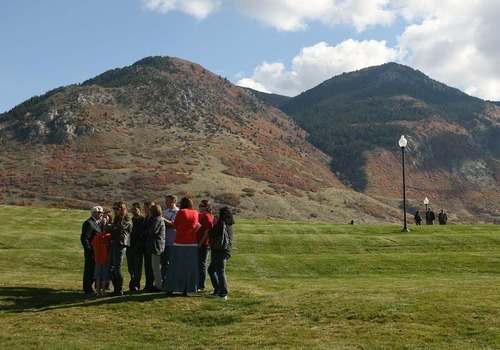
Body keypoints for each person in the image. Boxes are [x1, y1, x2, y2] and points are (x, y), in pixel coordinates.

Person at [165, 196, 200, 296]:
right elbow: (196, 225)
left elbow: (175, 225)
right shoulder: (195, 213)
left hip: (180, 242)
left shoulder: (181, 212)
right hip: (192, 243)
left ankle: (172, 287)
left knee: (175, 266)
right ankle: (186, 289)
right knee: (188, 267)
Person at [207, 207, 234, 300]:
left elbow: (210, 232)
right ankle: (218, 290)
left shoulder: (221, 224)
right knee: (212, 270)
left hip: (220, 250)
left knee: (220, 272)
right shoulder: (229, 224)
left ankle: (223, 293)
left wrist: (215, 222)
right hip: (226, 250)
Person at [107, 201, 132, 296]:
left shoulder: (126, 218)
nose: (115, 211)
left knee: (117, 268)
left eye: (116, 209)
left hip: (121, 244)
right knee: (111, 267)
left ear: (121, 209)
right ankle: (116, 288)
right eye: (114, 208)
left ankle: (119, 288)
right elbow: (112, 229)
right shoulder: (117, 218)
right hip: (114, 243)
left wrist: (114, 229)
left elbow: (120, 229)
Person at [80, 206, 104, 294]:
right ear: (93, 213)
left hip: (97, 251)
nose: (101, 214)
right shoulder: (89, 223)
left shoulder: (99, 223)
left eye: (102, 212)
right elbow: (84, 238)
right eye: (99, 213)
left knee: (94, 269)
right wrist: (90, 249)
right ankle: (87, 288)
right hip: (91, 251)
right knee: (89, 269)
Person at [161, 194, 179, 290]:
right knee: (164, 263)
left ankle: (171, 282)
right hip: (164, 241)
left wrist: (162, 219)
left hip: (171, 241)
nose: (165, 202)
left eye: (167, 200)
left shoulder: (177, 212)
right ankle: (164, 282)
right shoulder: (166, 211)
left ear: (173, 201)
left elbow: (173, 224)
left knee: (170, 263)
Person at [127, 202, 145, 292]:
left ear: (140, 210)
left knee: (137, 267)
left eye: (135, 209)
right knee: (131, 267)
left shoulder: (143, 220)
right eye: (132, 209)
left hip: (138, 247)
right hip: (130, 246)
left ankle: (135, 284)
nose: (133, 211)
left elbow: (142, 234)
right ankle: (132, 282)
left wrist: (138, 244)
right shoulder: (131, 220)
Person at [196, 199, 214, 291]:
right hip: (199, 243)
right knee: (198, 264)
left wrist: (200, 243)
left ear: (206, 207)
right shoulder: (200, 216)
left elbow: (207, 232)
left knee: (202, 264)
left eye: (201, 206)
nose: (200, 207)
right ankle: (198, 283)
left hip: (204, 244)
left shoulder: (207, 217)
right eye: (199, 206)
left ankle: (201, 285)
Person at [148, 204, 166, 292]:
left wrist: (148, 232)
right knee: (157, 266)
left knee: (155, 266)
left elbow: (153, 231)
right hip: (160, 245)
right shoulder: (160, 219)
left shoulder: (157, 220)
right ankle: (159, 284)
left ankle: (159, 285)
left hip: (156, 245)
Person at [91, 227, 111, 297]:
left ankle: (98, 292)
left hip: (98, 258)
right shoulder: (109, 237)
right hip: (106, 259)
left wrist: (95, 255)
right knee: (105, 276)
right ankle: (103, 291)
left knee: (98, 276)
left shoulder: (97, 236)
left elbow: (94, 247)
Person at [142, 201, 156, 292]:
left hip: (151, 244)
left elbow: (151, 231)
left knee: (151, 265)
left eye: (145, 207)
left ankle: (150, 284)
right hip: (146, 243)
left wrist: (143, 232)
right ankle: (148, 284)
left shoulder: (153, 219)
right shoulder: (147, 217)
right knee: (147, 265)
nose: (144, 209)